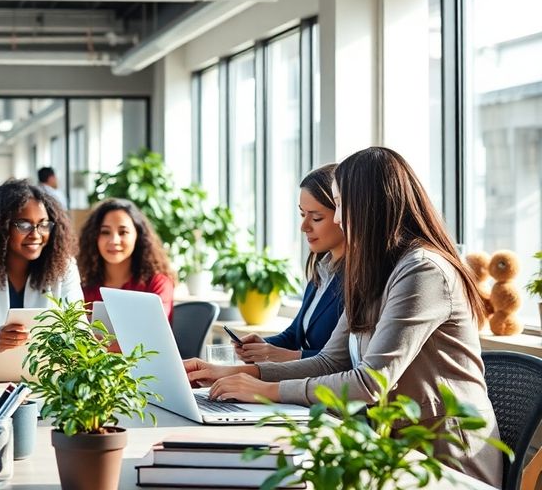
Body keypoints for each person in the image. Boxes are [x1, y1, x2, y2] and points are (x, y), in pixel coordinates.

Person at [183, 147, 502, 486]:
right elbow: (330, 362)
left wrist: (265, 390)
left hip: (443, 457)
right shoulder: (374, 269)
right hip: (393, 445)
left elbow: (370, 382)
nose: (336, 219)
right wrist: (234, 373)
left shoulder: (423, 271)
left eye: (340, 206)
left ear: (369, 208)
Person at [0, 178, 81, 357]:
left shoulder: (63, 265)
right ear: (0, 227)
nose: (36, 234)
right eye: (23, 225)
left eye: (43, 224)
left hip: (47, 376)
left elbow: (78, 326)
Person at [234, 164, 345, 362]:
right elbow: (295, 334)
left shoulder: (359, 280)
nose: (304, 227)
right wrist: (263, 346)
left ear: (342, 215)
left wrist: (287, 356)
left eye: (317, 218)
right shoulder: (322, 271)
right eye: (303, 214)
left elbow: (345, 361)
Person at [77, 198, 175, 321]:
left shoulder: (157, 284)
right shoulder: (83, 288)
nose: (114, 241)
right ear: (94, 237)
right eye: (105, 232)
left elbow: (151, 330)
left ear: (138, 236)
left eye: (123, 232)